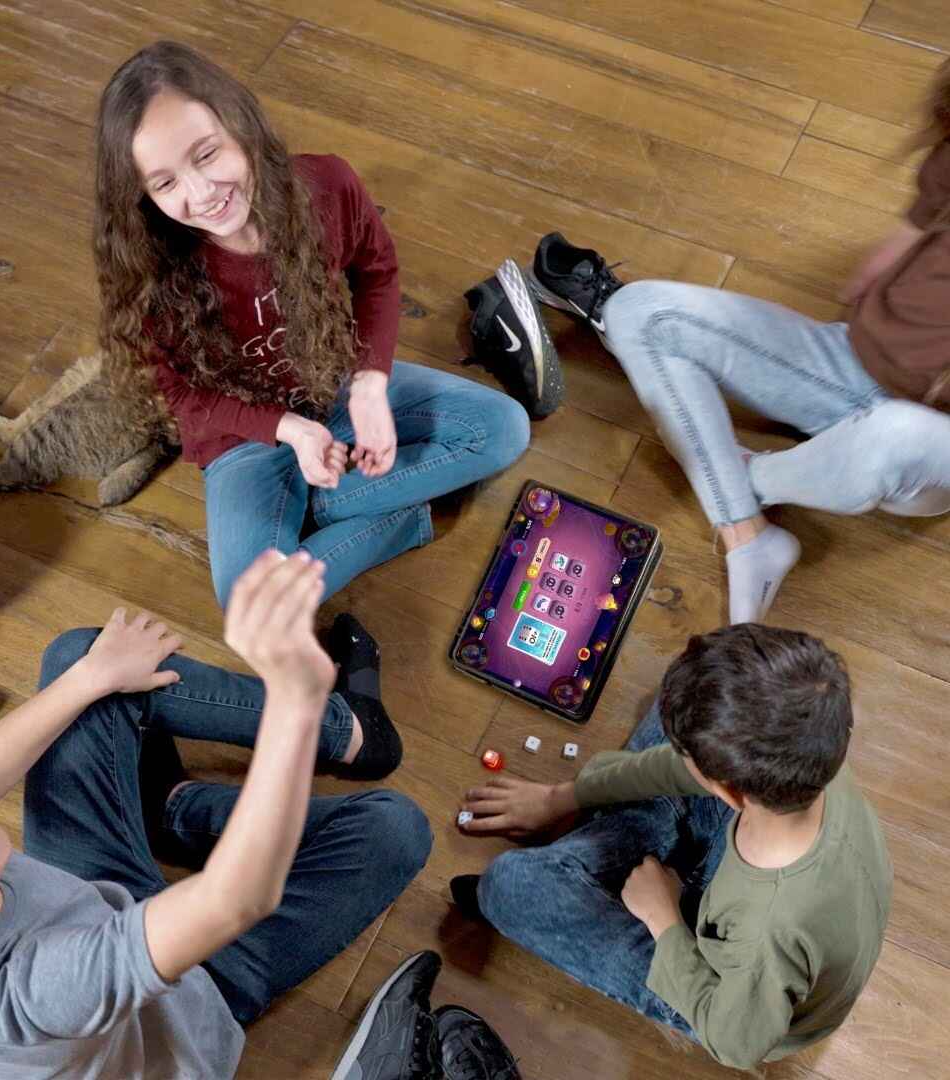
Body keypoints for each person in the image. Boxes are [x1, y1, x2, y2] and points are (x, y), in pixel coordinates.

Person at [0, 550, 432, 1078]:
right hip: (201, 979)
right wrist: (294, 701)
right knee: (396, 828)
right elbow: (232, 900)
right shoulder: (32, 993)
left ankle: (314, 749)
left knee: (83, 661)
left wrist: (91, 678)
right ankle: (211, 792)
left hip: (94, 892)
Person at [93, 40, 530, 606]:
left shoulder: (327, 186)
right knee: (250, 607)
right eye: (165, 183)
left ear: (239, 124)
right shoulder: (149, 269)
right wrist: (290, 430)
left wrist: (370, 385)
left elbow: (378, 273)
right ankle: (394, 515)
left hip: (333, 386)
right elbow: (182, 394)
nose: (202, 195)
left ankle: (321, 507)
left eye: (206, 155)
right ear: (142, 195)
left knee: (503, 428)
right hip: (244, 441)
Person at [563, 59, 950, 624]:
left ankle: (747, 479)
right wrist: (867, 287)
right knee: (635, 311)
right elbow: (912, 230)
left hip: (925, 445)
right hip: (846, 363)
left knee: (891, 435)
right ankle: (747, 535)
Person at [451, 624, 892, 1070]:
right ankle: (625, 840)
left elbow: (737, 1043)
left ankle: (621, 853)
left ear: (731, 791)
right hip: (745, 862)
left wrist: (664, 919)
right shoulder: (811, 746)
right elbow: (693, 762)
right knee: (693, 700)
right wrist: (564, 796)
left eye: (695, 766)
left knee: (508, 886)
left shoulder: (773, 932)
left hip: (723, 986)